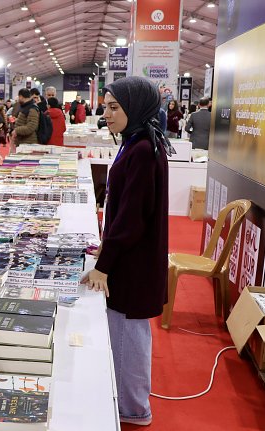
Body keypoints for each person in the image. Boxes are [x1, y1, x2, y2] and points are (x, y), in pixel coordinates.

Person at [81, 76, 173, 427]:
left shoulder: (143, 150)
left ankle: (133, 409)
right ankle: (130, 399)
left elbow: (133, 218)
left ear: (134, 107)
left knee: (128, 334)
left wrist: (105, 265)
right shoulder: (136, 142)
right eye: (105, 106)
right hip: (131, 255)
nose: (107, 113)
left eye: (114, 107)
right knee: (127, 331)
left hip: (134, 262)